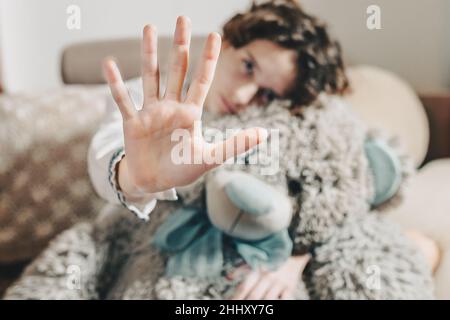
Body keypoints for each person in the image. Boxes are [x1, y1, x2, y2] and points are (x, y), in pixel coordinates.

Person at [89, 0, 440, 300]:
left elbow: (340, 190)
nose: (244, 97)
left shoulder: (278, 126)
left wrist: (297, 257)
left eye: (267, 93)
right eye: (248, 66)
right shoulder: (146, 102)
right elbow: (105, 161)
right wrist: (136, 177)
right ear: (226, 43)